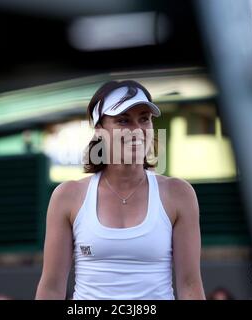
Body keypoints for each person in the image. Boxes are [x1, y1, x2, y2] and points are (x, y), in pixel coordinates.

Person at [35, 80, 205, 300]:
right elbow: (51, 287)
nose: (137, 130)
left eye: (144, 119)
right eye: (123, 120)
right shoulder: (67, 197)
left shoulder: (179, 194)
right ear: (99, 131)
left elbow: (190, 285)